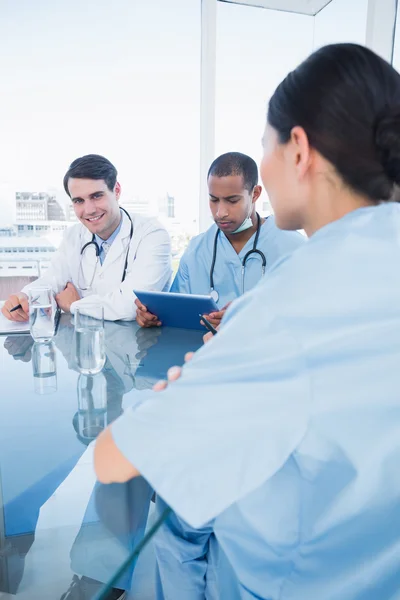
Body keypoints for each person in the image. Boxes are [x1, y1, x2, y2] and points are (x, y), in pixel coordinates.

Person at [94, 42, 400, 599]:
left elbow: (117, 457)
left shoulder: (292, 300)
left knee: (176, 530)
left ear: (299, 149)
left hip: (284, 579)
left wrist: (183, 391)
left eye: (268, 146)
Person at [136, 152, 305, 329]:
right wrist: (153, 318)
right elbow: (175, 316)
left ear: (255, 194)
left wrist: (253, 316)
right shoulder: (196, 251)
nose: (220, 212)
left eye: (232, 200)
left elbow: (313, 318)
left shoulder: (294, 248)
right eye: (213, 200)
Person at [1, 154, 172, 322]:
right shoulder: (74, 235)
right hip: (83, 341)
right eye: (79, 201)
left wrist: (75, 305)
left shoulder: (152, 235)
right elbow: (52, 280)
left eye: (96, 196)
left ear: (117, 191)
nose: (89, 210)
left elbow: (129, 305)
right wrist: (25, 296)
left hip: (138, 345)